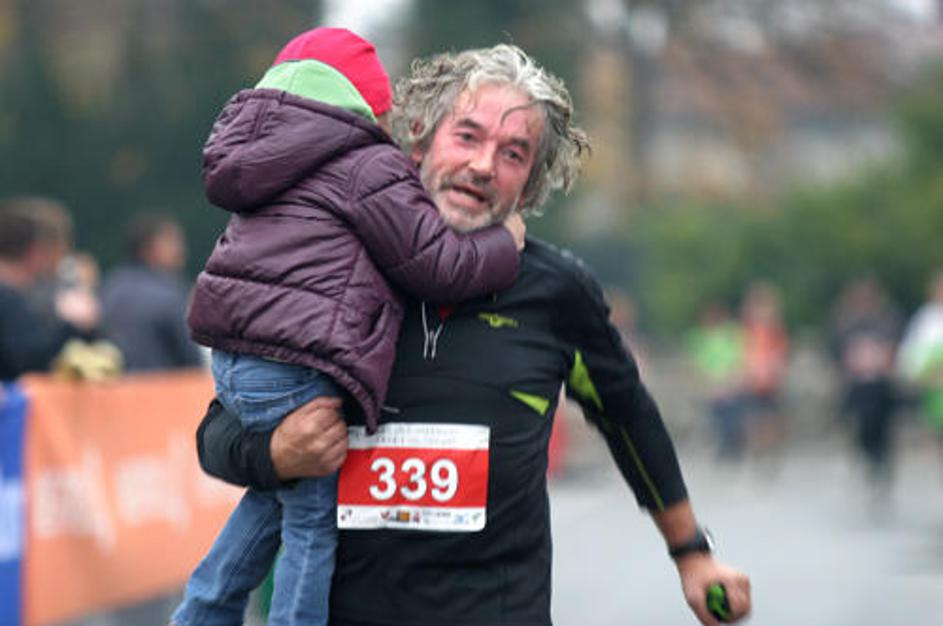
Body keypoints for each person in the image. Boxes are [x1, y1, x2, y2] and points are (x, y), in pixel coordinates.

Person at [195, 43, 751, 626]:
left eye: (513, 153)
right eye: (467, 136)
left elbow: (627, 414)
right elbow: (217, 432)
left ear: (530, 185)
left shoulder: (557, 292)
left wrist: (693, 555)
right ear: (417, 141)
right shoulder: (336, 268)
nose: (484, 165)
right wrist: (274, 454)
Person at [172, 28, 525, 626]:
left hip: (238, 361)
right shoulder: (366, 164)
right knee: (311, 523)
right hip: (296, 368)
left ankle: (203, 612)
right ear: (372, 109)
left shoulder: (263, 158)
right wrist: (502, 244)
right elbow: (436, 264)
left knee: (275, 499)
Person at [0, 196, 99, 380]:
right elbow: (28, 359)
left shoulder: (24, 295)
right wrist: (72, 327)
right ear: (36, 251)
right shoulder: (17, 300)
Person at [100, 212, 204, 372]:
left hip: (113, 385)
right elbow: (192, 361)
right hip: (164, 385)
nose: (181, 250)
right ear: (147, 248)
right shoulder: (170, 293)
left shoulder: (110, 286)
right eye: (171, 242)